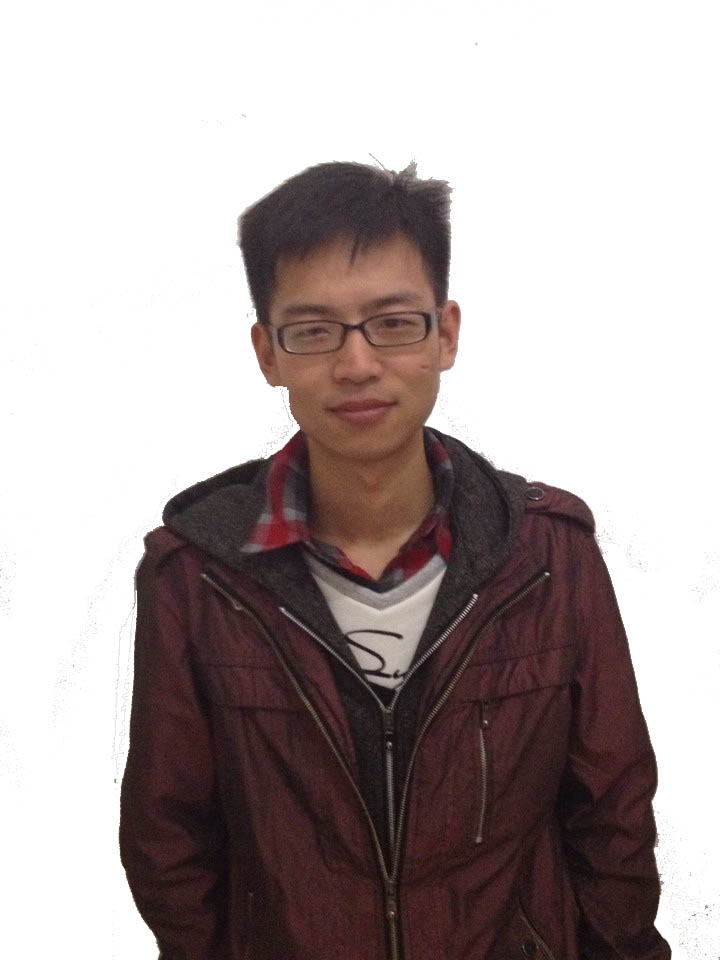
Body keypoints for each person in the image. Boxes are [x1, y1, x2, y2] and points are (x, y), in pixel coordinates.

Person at [119, 160, 671, 960]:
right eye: (314, 330)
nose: (357, 364)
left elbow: (613, 817)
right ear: (267, 353)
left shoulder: (548, 557)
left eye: (393, 322)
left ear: (446, 334)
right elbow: (169, 840)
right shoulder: (198, 578)